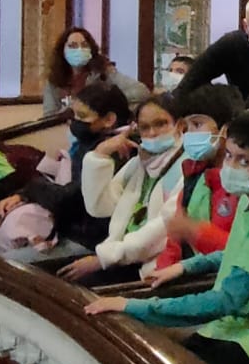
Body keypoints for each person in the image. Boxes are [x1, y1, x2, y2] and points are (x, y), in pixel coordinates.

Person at [86, 108, 249, 364]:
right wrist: (185, 266)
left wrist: (131, 306)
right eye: (229, 156)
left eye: (245, 161)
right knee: (166, 359)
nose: (231, 167)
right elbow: (239, 251)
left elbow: (227, 301)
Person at [0, 79, 132, 264]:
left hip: (92, 241)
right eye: (74, 114)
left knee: (5, 263)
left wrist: (31, 190)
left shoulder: (116, 151)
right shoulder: (88, 143)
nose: (74, 122)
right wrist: (23, 195)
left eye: (82, 116)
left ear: (109, 120)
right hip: (72, 231)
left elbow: (69, 199)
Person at [64, 92, 187, 284]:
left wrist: (104, 258)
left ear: (179, 126)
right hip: (123, 256)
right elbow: (99, 207)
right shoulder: (139, 163)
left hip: (154, 265)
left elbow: (163, 229)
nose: (152, 133)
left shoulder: (186, 165)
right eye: (145, 127)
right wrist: (99, 155)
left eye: (160, 124)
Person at [145, 84, 241, 284]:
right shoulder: (194, 175)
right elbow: (174, 244)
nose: (189, 134)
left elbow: (243, 250)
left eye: (197, 124)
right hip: (189, 278)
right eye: (187, 127)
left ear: (227, 129)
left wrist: (195, 231)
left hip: (223, 281)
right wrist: (159, 275)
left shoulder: (244, 182)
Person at [43, 26, 148, 116]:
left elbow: (141, 92)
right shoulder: (54, 80)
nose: (79, 50)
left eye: (84, 45)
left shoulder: (103, 73)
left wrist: (103, 104)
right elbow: (48, 117)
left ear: (91, 50)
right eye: (73, 46)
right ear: (62, 51)